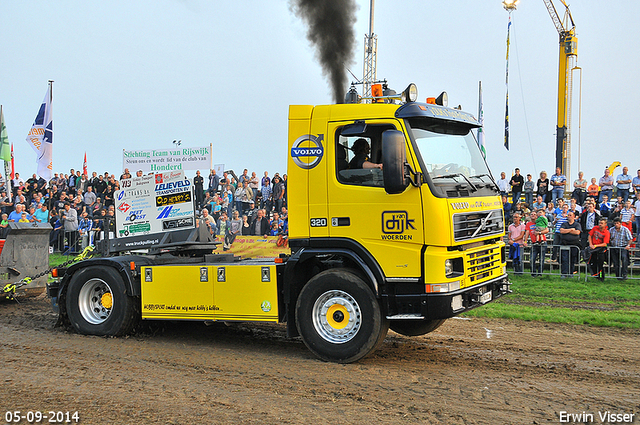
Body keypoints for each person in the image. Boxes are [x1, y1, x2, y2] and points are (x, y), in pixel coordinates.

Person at [525, 210, 549, 277]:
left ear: (537, 215)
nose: (533, 215)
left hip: (542, 242)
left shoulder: (540, 221)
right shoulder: (528, 224)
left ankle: (540, 273)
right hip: (534, 243)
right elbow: (527, 233)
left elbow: (547, 230)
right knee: (532, 259)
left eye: (534, 214)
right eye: (531, 214)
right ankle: (533, 273)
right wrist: (525, 241)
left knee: (541, 259)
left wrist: (539, 233)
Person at [559, 211, 582, 277]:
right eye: (568, 215)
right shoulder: (564, 224)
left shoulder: (577, 224)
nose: (568, 216)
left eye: (570, 215)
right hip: (565, 244)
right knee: (565, 259)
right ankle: (564, 273)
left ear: (574, 217)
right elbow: (561, 231)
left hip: (574, 244)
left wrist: (567, 231)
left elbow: (577, 232)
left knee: (572, 259)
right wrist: (571, 229)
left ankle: (570, 273)